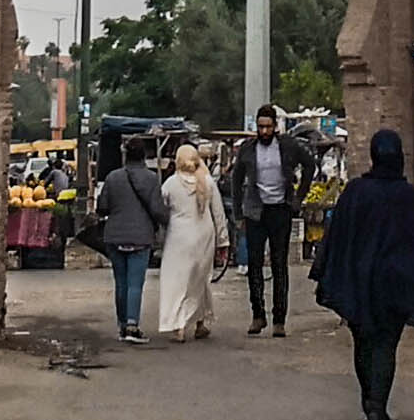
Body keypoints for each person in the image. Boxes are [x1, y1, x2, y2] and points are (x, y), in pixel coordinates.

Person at [309, 128, 414, 420]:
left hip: (359, 283)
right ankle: (378, 406)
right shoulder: (406, 197)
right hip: (393, 284)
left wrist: (333, 272)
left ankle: (370, 401)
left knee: (363, 341)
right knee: (386, 344)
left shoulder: (356, 193)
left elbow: (337, 236)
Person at [225, 104, 316, 337]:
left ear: (275, 127)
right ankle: (258, 315)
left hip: (280, 210)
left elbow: (310, 165)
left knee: (279, 264)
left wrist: (298, 197)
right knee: (254, 264)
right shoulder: (248, 149)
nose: (264, 131)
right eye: (260, 127)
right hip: (255, 211)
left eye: (268, 127)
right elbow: (236, 180)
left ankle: (279, 319)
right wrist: (238, 214)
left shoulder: (288, 145)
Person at [96, 137, 170, 345]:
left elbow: (102, 207)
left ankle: (122, 326)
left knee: (121, 282)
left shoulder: (113, 177)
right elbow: (158, 210)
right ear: (144, 156)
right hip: (140, 237)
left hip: (115, 235)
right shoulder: (151, 178)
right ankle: (132, 325)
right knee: (135, 283)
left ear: (125, 155)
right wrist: (168, 222)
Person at [153, 141, 225, 342]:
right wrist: (223, 240)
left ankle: (178, 325)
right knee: (200, 279)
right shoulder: (208, 181)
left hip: (179, 236)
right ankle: (200, 323)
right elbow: (218, 212)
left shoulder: (170, 183)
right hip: (205, 234)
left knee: (176, 281)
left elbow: (160, 209)